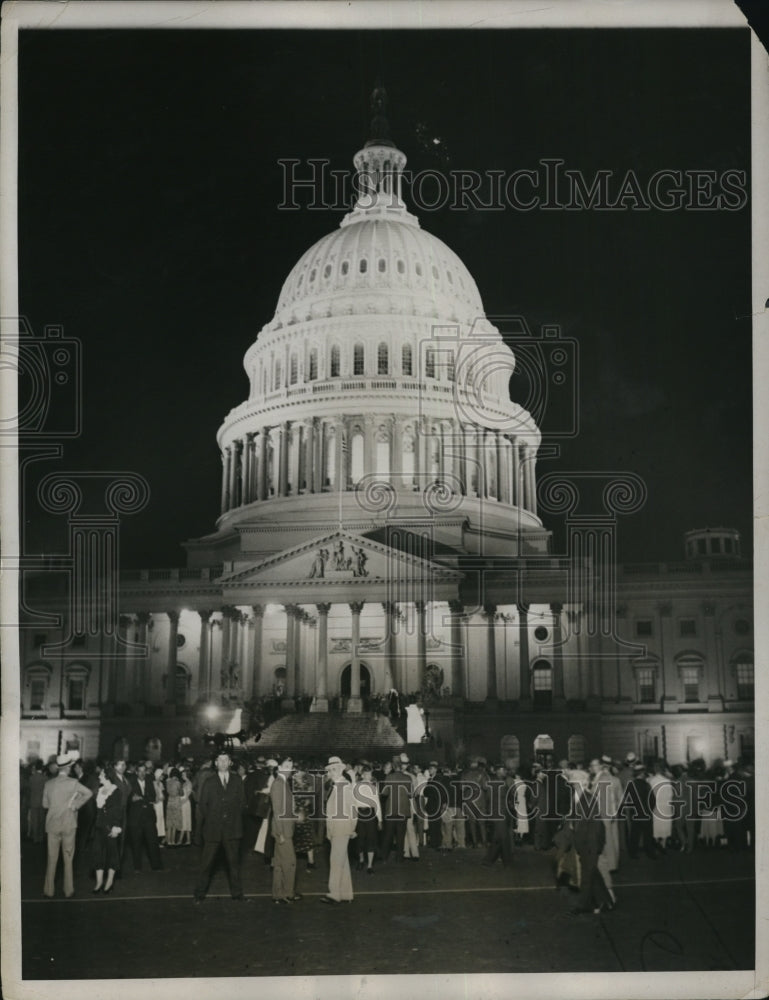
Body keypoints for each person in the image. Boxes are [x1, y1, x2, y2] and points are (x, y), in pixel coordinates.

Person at [193, 751, 247, 902]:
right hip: (213, 830)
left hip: (232, 830)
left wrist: (231, 818)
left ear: (230, 763)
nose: (223, 763)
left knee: (234, 864)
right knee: (206, 864)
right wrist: (214, 818)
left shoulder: (237, 780)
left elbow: (242, 804)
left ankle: (237, 894)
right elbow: (203, 805)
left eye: (226, 760)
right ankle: (199, 894)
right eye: (220, 760)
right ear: (215, 763)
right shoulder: (209, 782)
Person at [42, 751, 93, 898]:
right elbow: (89, 793)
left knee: (51, 859)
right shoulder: (73, 783)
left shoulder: (49, 784)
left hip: (52, 825)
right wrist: (75, 805)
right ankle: (68, 890)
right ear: (68, 768)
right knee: (68, 858)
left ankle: (48, 890)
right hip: (69, 825)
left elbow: (45, 805)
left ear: (58, 768)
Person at [322, 756, 357, 903]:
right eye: (330, 770)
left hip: (341, 829)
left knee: (336, 861)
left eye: (333, 770)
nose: (330, 773)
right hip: (337, 829)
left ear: (339, 770)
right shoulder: (337, 786)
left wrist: (351, 829)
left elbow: (353, 810)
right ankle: (346, 893)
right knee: (342, 861)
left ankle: (334, 893)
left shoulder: (344, 786)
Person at [269, 758, 302, 904]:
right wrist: (280, 833)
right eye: (286, 766)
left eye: (291, 767)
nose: (289, 769)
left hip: (284, 828)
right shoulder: (279, 784)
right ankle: (288, 893)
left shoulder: (283, 783)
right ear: (279, 768)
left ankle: (278, 894)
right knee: (290, 862)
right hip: (283, 831)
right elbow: (277, 811)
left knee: (280, 864)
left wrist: (294, 817)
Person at [90, 768, 123, 894]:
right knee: (98, 854)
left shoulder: (116, 792)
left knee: (112, 855)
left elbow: (118, 812)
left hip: (111, 827)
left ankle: (109, 882)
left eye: (102, 775)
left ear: (107, 776)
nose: (99, 776)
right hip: (99, 827)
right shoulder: (99, 790)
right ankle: (99, 882)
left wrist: (116, 828)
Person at [126, 762, 163, 872]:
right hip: (135, 818)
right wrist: (131, 800)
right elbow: (126, 798)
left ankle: (156, 866)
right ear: (136, 772)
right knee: (136, 843)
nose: (142, 773)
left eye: (144, 771)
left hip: (149, 817)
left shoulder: (150, 782)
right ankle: (137, 867)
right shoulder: (130, 783)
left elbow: (154, 798)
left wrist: (142, 799)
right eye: (140, 771)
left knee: (152, 841)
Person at [379, 754, 412, 862]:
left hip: (391, 810)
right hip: (403, 811)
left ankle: (384, 856)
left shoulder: (389, 777)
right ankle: (399, 858)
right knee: (400, 835)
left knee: (388, 835)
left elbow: (384, 793)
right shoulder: (408, 778)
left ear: (393, 766)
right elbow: (410, 794)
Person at [353, 764, 382, 873]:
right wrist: (353, 817)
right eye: (367, 774)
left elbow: (377, 804)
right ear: (363, 775)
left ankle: (369, 865)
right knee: (360, 839)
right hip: (359, 813)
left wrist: (380, 819)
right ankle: (361, 860)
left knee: (371, 839)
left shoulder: (374, 787)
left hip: (370, 814)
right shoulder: (356, 786)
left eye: (370, 774)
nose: (369, 776)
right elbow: (354, 803)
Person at [28, 760, 47, 844]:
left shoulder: (31, 778)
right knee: (42, 820)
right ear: (42, 767)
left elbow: (30, 789)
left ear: (35, 767)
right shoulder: (45, 778)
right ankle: (41, 837)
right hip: (42, 802)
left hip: (33, 801)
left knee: (34, 820)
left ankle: (35, 838)